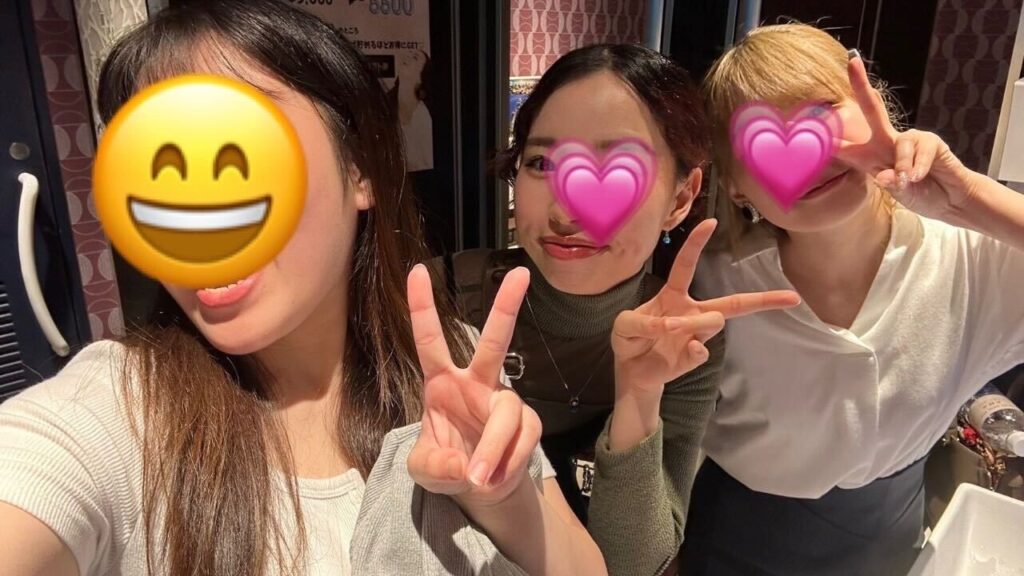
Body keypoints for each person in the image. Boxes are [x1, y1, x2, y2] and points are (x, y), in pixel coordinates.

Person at [0, 2, 606, 575]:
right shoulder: (115, 410)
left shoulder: (453, 363)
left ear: (359, 169)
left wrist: (500, 497)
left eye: (237, 154)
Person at [438, 43, 799, 576]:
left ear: (681, 198)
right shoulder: (444, 300)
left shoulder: (681, 340)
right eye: (542, 163)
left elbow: (637, 564)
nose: (566, 210)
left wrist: (638, 394)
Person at [681, 23, 1024, 576]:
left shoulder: (972, 258)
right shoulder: (711, 278)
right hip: (735, 542)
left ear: (875, 107)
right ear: (736, 184)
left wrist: (969, 201)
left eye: (821, 115)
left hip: (887, 543)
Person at [391, 49, 433, 172]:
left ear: (421, 77)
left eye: (415, 58)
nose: (408, 56)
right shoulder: (384, 105)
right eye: (409, 53)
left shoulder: (423, 117)